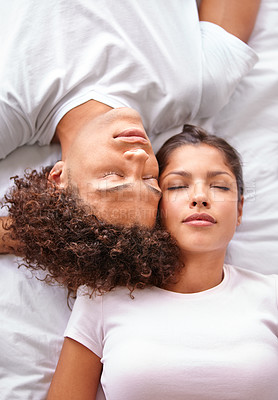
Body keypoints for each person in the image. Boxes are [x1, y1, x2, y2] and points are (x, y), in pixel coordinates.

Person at [47, 125, 278, 400]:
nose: (200, 197)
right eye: (178, 186)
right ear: (156, 205)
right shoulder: (101, 298)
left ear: (239, 210)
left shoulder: (271, 295)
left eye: (219, 185)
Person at [0, 0, 261, 237]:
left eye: (113, 177)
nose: (140, 158)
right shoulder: (201, 89)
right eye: (150, 181)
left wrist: (46, 234)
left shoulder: (9, 110)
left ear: (59, 178)